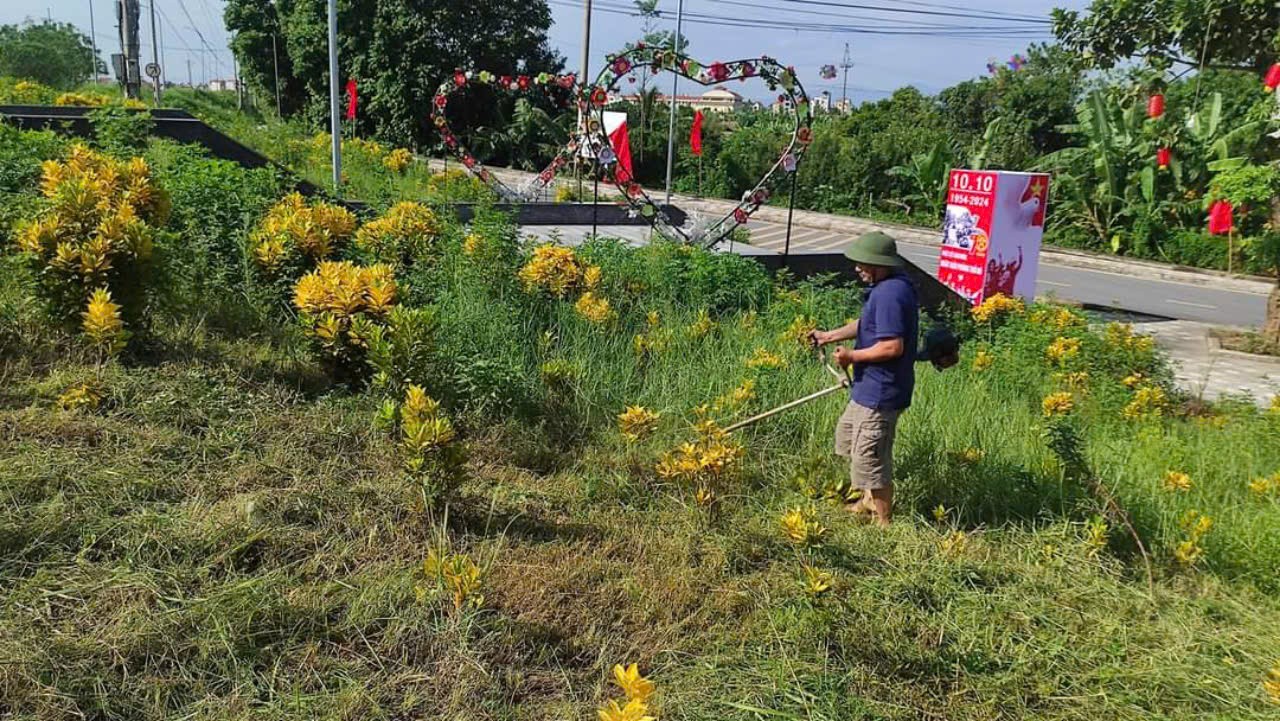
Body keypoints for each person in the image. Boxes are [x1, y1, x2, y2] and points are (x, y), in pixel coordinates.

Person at [809, 231, 919, 527]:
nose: (858, 267)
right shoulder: (887, 288)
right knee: (849, 441)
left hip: (882, 391)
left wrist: (851, 358)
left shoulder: (890, 293)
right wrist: (829, 336)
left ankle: (885, 524)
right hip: (866, 388)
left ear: (882, 265)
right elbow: (868, 323)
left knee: (871, 456)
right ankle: (866, 501)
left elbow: (892, 346)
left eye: (864, 263)